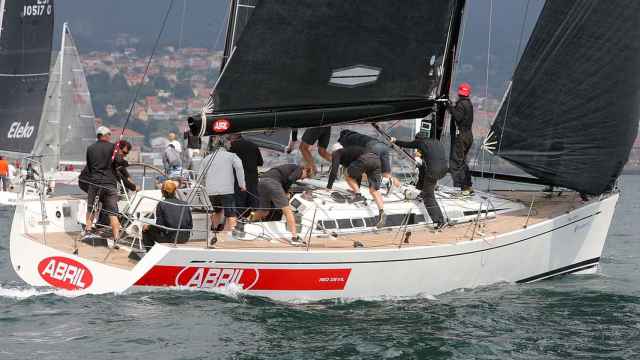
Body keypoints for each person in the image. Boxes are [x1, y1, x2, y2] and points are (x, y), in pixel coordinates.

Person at [391, 132, 448, 228]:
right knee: (423, 168)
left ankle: (439, 221)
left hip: (434, 171)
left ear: (418, 139)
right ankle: (422, 191)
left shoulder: (421, 143)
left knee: (428, 196)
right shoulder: (436, 142)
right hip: (444, 170)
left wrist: (395, 141)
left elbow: (407, 144)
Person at [327, 144, 385, 228]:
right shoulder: (350, 152)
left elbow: (334, 170)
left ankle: (358, 195)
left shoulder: (337, 153)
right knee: (374, 190)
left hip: (365, 159)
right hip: (376, 160)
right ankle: (382, 212)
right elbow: (358, 174)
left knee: (346, 174)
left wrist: (329, 186)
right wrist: (357, 188)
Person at [253, 164, 311, 245]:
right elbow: (291, 178)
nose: (302, 179)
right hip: (273, 182)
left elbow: (286, 178)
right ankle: (295, 238)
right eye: (306, 176)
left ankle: (247, 221)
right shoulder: (299, 169)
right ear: (305, 169)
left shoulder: (290, 167)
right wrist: (286, 191)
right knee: (288, 211)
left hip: (262, 181)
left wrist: (284, 191)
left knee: (264, 211)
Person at [84, 126, 121, 247]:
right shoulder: (113, 147)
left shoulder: (90, 148)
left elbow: (89, 168)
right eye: (109, 135)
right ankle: (116, 239)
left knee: (91, 208)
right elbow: (119, 163)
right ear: (106, 135)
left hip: (95, 183)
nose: (110, 137)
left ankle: (88, 232)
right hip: (110, 184)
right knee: (113, 213)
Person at [199, 136, 246, 231]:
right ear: (226, 145)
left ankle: (213, 234)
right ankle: (231, 238)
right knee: (231, 214)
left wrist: (204, 186)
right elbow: (239, 168)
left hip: (211, 190)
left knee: (216, 212)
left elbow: (200, 177)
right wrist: (242, 184)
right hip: (226, 190)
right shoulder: (232, 156)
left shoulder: (207, 158)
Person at [142, 180, 193, 250]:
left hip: (171, 238)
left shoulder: (162, 204)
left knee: (145, 230)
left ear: (162, 192)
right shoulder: (185, 203)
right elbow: (190, 224)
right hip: (185, 237)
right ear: (175, 191)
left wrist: (148, 227)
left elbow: (160, 226)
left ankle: (151, 255)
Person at [446, 82, 474, 195]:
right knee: (462, 162)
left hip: (461, 136)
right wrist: (452, 107)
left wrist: (449, 106)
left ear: (459, 93)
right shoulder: (469, 104)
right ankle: (468, 186)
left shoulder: (461, 104)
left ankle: (462, 188)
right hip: (468, 136)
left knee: (455, 163)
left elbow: (458, 117)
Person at [228, 134, 263, 218]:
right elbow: (260, 162)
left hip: (238, 180)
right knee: (254, 203)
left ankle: (239, 224)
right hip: (252, 180)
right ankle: (254, 222)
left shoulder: (231, 147)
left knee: (239, 204)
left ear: (233, 137)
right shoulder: (253, 145)